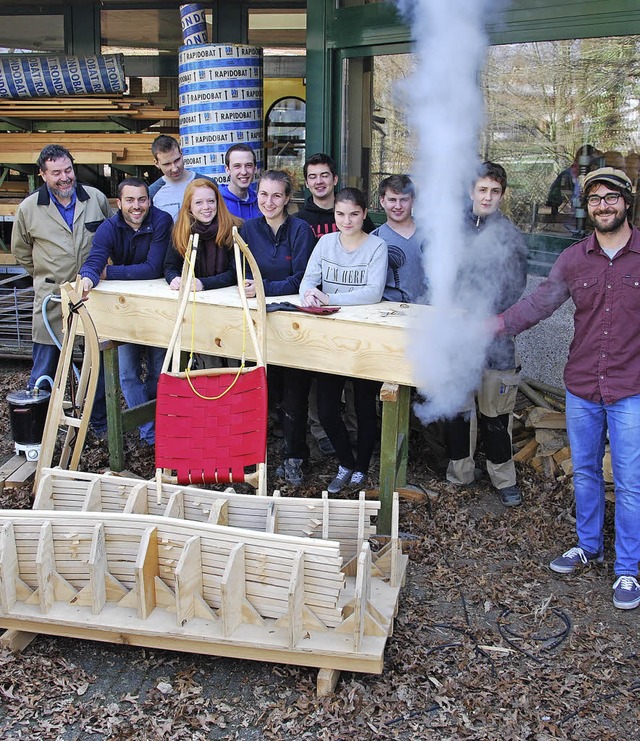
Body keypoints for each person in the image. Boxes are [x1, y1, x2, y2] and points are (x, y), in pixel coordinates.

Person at [495, 166, 640, 610]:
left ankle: (629, 570)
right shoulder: (574, 258)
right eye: (595, 199)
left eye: (611, 197)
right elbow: (539, 303)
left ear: (626, 203)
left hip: (630, 388)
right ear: (587, 207)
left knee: (632, 483)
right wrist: (496, 325)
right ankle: (588, 546)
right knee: (586, 473)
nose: (603, 205)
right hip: (581, 386)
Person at [443, 162, 528, 507]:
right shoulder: (453, 231)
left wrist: (485, 314)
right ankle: (459, 473)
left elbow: (515, 287)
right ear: (471, 192)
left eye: (494, 191)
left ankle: (503, 478)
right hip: (456, 336)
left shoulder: (510, 235)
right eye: (482, 190)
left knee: (496, 414)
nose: (488, 197)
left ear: (502, 195)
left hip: (495, 339)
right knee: (459, 412)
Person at [11, 144, 111, 435]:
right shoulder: (29, 208)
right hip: (52, 300)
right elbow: (22, 252)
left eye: (68, 170)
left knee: (97, 366)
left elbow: (108, 238)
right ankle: (38, 428)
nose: (64, 177)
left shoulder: (95, 199)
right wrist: (47, 276)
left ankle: (99, 423)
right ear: (43, 175)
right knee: (45, 365)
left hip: (93, 297)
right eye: (56, 173)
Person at [300, 187, 388, 494]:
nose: (346, 220)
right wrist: (310, 295)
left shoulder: (377, 246)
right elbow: (308, 280)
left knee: (364, 405)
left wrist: (330, 297)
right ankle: (345, 462)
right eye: (340, 213)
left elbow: (373, 293)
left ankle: (362, 465)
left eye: (353, 214)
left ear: (365, 213)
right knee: (326, 408)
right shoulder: (325, 242)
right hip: (331, 336)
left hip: (364, 336)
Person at [79, 177, 172, 446]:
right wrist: (88, 276)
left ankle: (161, 423)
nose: (137, 206)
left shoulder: (162, 220)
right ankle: (150, 432)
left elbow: (153, 267)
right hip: (122, 309)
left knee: (158, 370)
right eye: (130, 200)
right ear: (119, 203)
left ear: (149, 200)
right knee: (128, 372)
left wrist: (111, 273)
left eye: (142, 199)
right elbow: (96, 258)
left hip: (156, 308)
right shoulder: (109, 227)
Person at [240, 170, 316, 485]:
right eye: (263, 195)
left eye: (276, 196)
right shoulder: (248, 229)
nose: (268, 202)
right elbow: (242, 274)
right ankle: (255, 457)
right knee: (260, 391)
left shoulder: (301, 230)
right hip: (258, 321)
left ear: (287, 199)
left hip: (293, 322)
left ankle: (295, 457)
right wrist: (252, 286)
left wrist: (262, 287)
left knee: (295, 393)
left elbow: (301, 279)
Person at [294, 153, 375, 239]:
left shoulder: (354, 215)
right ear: (306, 183)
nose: (319, 181)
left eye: (324, 175)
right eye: (312, 177)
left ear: (335, 179)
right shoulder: (298, 221)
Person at [372, 174, 426, 303]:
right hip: (389, 313)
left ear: (413, 200)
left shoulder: (430, 235)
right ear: (382, 201)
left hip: (428, 313)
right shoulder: (374, 240)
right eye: (392, 200)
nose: (398, 206)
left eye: (404, 200)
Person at [149, 135, 213, 222]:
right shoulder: (152, 192)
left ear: (182, 154)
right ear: (156, 163)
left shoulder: (207, 183)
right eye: (167, 164)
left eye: (177, 160)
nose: (174, 168)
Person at [218, 143, 261, 219]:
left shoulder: (261, 202)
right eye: (237, 166)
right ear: (227, 170)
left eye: (248, 165)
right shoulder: (217, 202)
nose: (244, 172)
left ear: (255, 169)